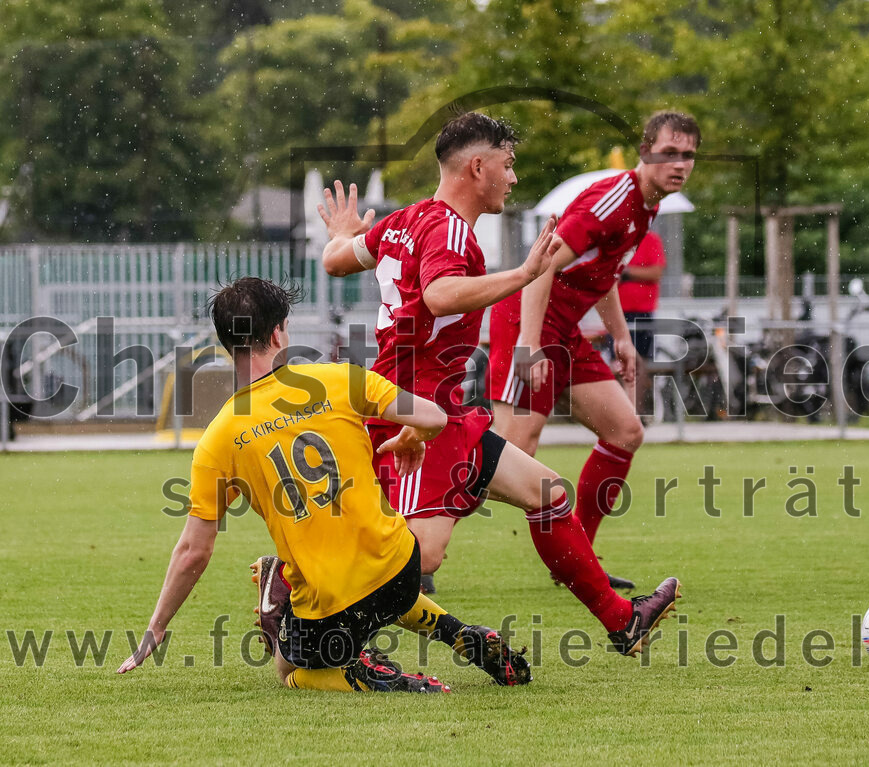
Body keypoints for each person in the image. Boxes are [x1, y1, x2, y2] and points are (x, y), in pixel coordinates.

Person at [320, 112, 679, 657]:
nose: (513, 179)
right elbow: (441, 295)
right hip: (415, 410)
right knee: (424, 555)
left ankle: (621, 620)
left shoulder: (405, 219)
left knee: (549, 494)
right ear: (478, 167)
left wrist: (342, 234)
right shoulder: (448, 228)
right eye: (508, 166)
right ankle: (309, 609)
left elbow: (335, 261)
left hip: (440, 409)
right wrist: (522, 275)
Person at [118, 277, 531, 691]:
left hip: (331, 605)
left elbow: (194, 551)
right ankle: (462, 635)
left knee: (288, 670)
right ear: (279, 331)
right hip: (402, 568)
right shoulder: (341, 380)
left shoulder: (219, 438)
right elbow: (435, 418)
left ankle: (368, 675)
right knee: (379, 581)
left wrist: (156, 627)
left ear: (227, 342)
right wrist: (411, 437)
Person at [486, 112, 700, 586]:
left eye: (687, 155)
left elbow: (602, 276)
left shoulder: (647, 206)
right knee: (507, 456)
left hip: (564, 331)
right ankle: (410, 539)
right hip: (530, 324)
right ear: (646, 152)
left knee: (625, 431)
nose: (679, 164)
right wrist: (528, 345)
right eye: (669, 153)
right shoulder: (613, 203)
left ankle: (574, 562)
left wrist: (620, 336)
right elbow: (538, 266)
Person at [617, 231, 667, 413]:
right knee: (618, 363)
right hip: (617, 313)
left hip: (642, 314)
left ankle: (634, 411)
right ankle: (620, 410)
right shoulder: (615, 237)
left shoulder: (651, 239)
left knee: (640, 364)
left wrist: (627, 273)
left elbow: (656, 271)